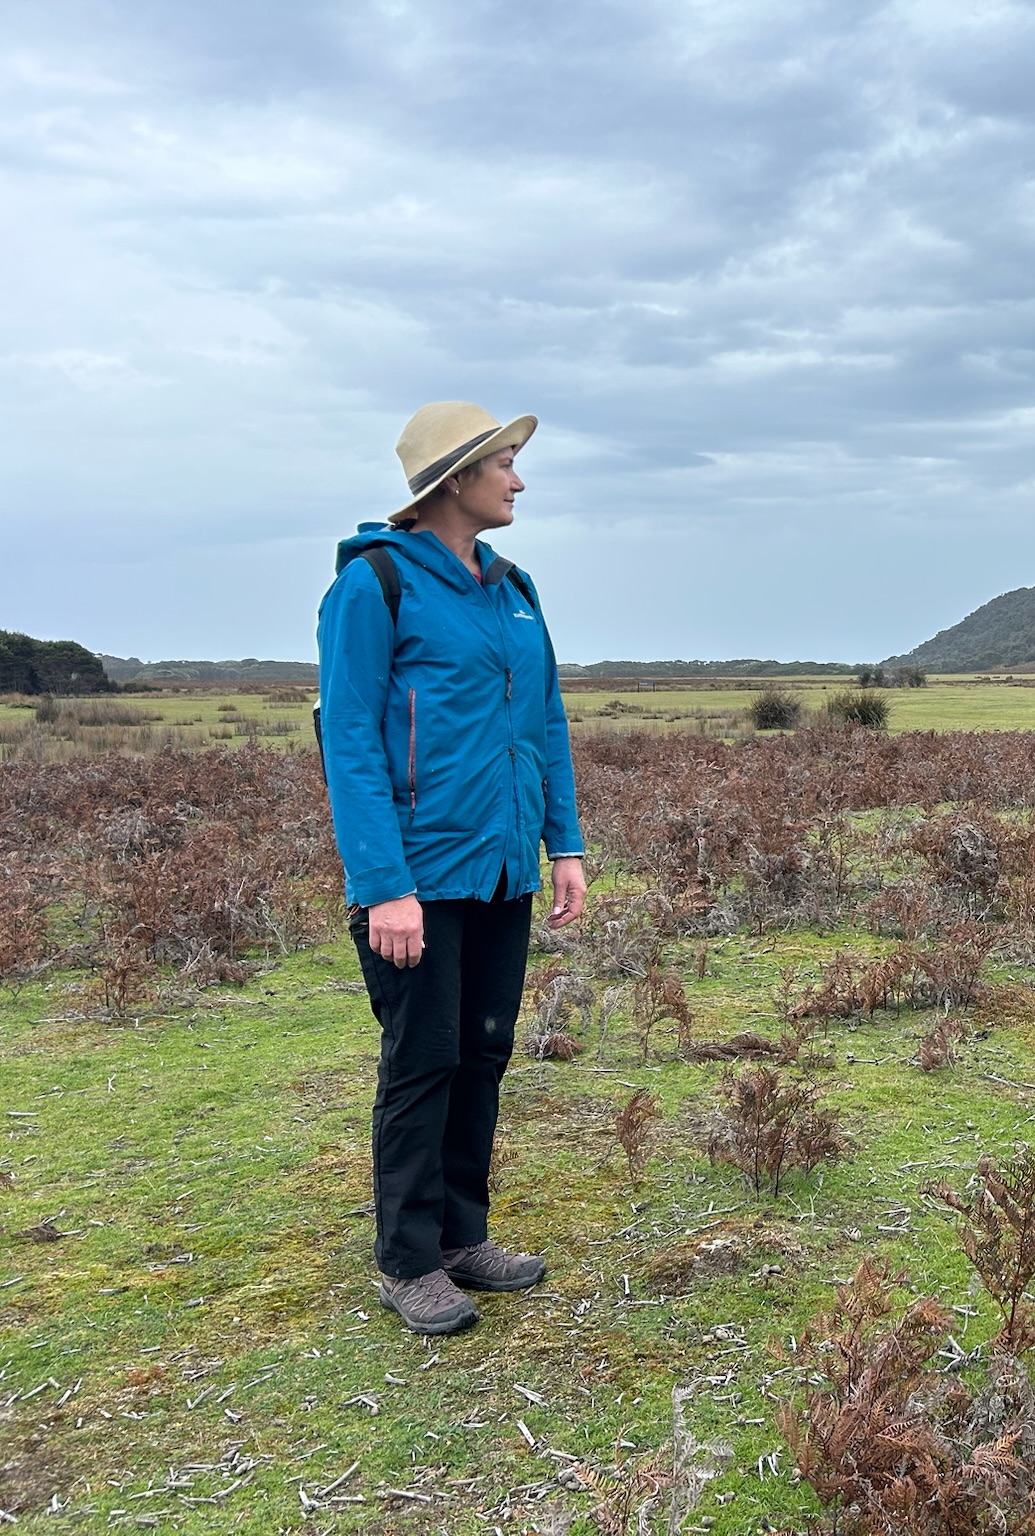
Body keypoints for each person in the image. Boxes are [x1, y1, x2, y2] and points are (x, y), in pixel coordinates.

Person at [317, 401, 588, 1335]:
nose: (519, 480)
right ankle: (405, 1259)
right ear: (454, 481)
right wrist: (385, 886)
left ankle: (461, 1237)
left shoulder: (516, 589)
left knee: (482, 1051)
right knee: (422, 1060)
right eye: (505, 464)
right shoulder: (376, 586)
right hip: (418, 880)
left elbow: (543, 722)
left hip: (502, 868)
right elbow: (349, 741)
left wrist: (566, 845)